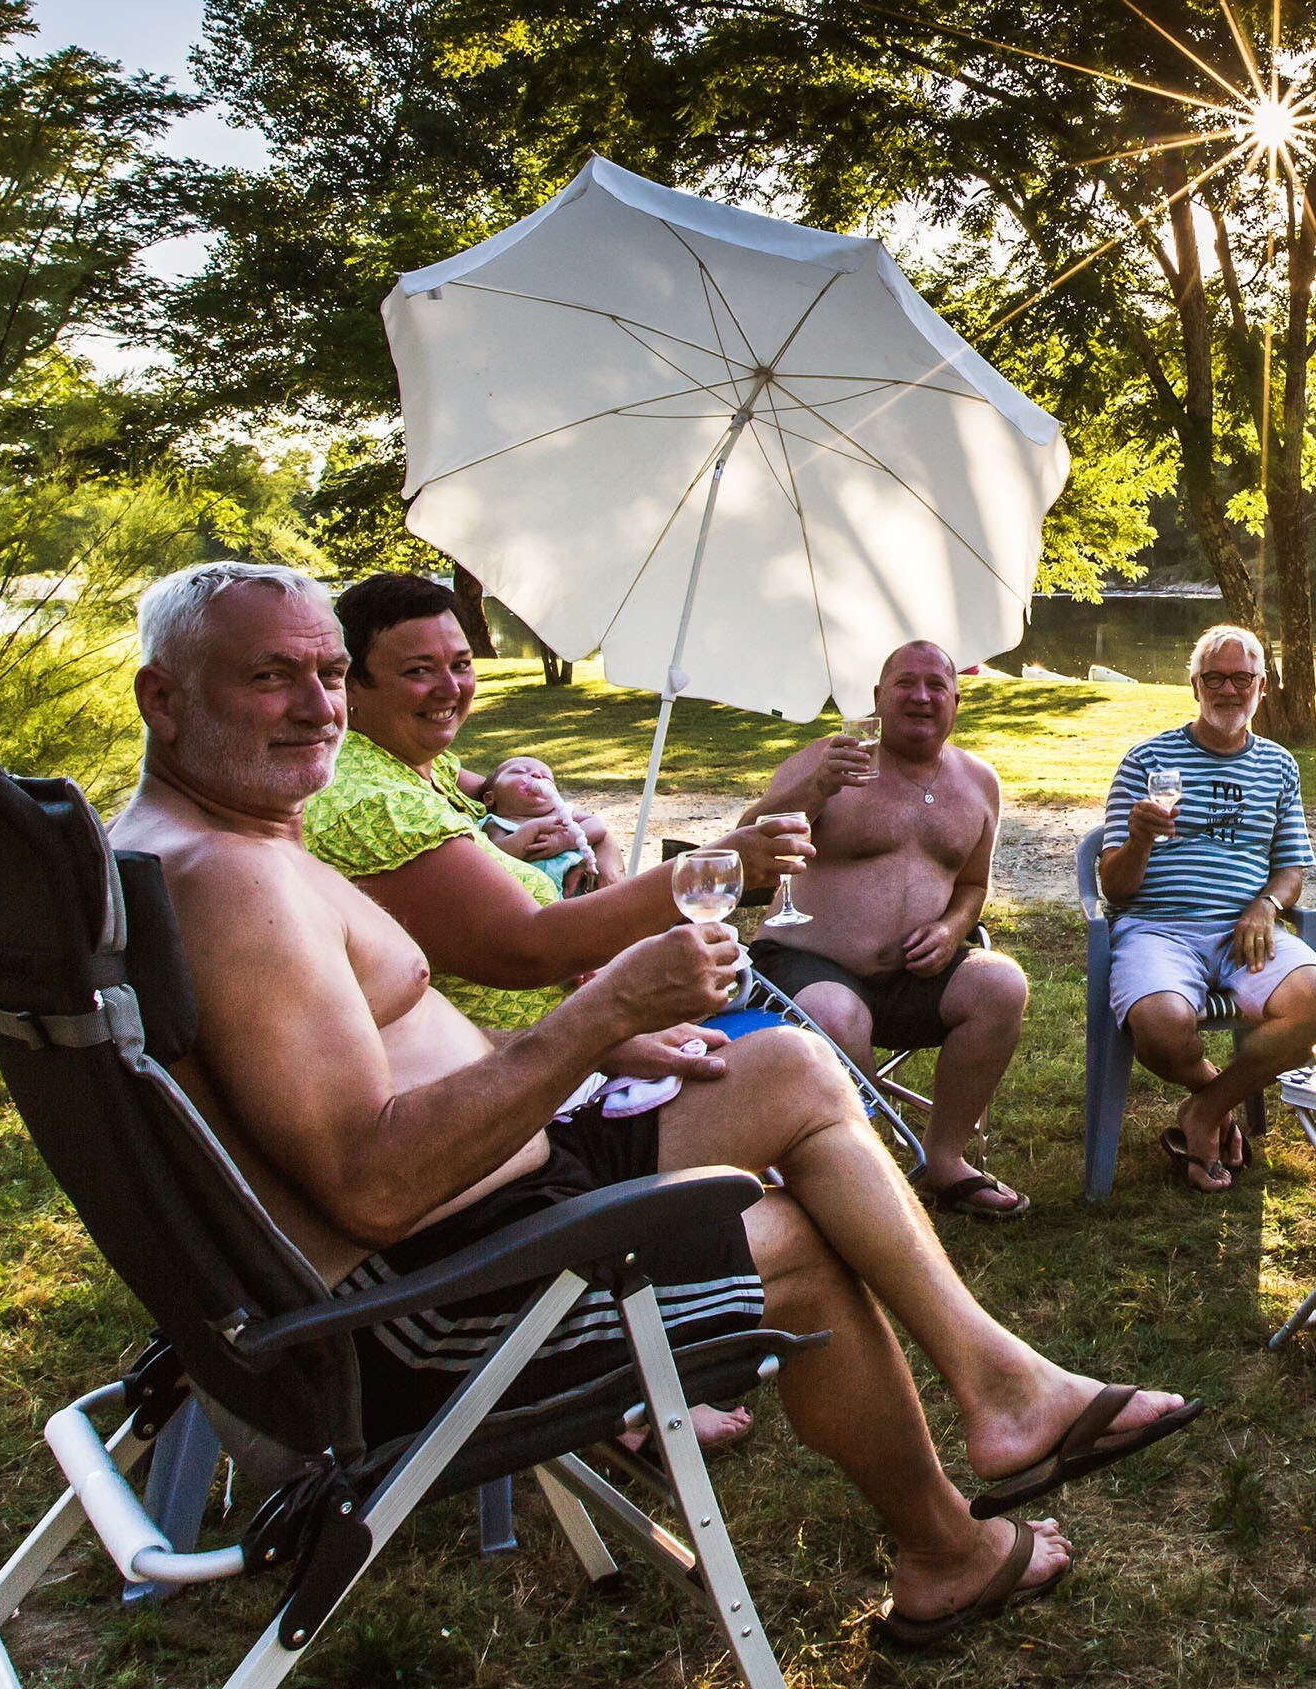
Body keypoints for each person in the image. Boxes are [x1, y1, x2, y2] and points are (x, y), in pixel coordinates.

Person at [112, 561, 1200, 1651]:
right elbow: (376, 1182)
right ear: (165, 697)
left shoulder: (208, 842)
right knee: (804, 1240)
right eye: (270, 675)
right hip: (425, 1314)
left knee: (779, 1063)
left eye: (326, 672)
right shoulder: (233, 884)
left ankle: (1003, 1383)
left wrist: (601, 1033)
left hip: (478, 1204)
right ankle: (951, 1544)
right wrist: (597, 1016)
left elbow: (373, 1063)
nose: (317, 704)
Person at [300, 573, 796, 1033]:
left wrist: (596, 848)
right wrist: (713, 868)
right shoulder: (372, 804)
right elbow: (528, 947)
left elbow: (533, 797)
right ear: (350, 683)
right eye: (418, 670)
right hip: (525, 1071)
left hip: (586, 1028)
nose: (450, 689)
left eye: (461, 664)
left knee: (795, 1064)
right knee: (792, 1061)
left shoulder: (418, 764)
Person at [739, 641, 1034, 1220]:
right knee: (838, 1013)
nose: (920, 696)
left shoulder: (979, 782)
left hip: (916, 976)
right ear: (878, 698)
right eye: (905, 683)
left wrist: (952, 931)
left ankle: (943, 1161)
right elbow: (749, 840)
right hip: (806, 969)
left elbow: (974, 886)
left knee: (1001, 984)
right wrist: (817, 788)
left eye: (936, 685)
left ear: (956, 701)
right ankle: (870, 1173)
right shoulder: (830, 759)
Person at [1098, 624, 1316, 1193]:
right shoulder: (1146, 759)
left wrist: (1267, 904)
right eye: (1215, 677)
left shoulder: (1279, 766)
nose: (1228, 690)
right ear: (1194, 685)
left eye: (1241, 678)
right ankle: (1218, 1103)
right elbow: (1116, 889)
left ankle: (1202, 1114)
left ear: (1262, 687)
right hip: (1156, 928)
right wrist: (1137, 840)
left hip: (1244, 931)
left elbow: (1291, 868)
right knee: (1160, 1026)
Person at [478, 753, 618, 895]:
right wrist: (530, 830)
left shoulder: (562, 814)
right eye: (519, 771)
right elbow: (497, 857)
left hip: (585, 887)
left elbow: (597, 825)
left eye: (546, 777)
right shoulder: (496, 824)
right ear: (490, 798)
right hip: (537, 899)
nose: (537, 775)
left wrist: (564, 840)